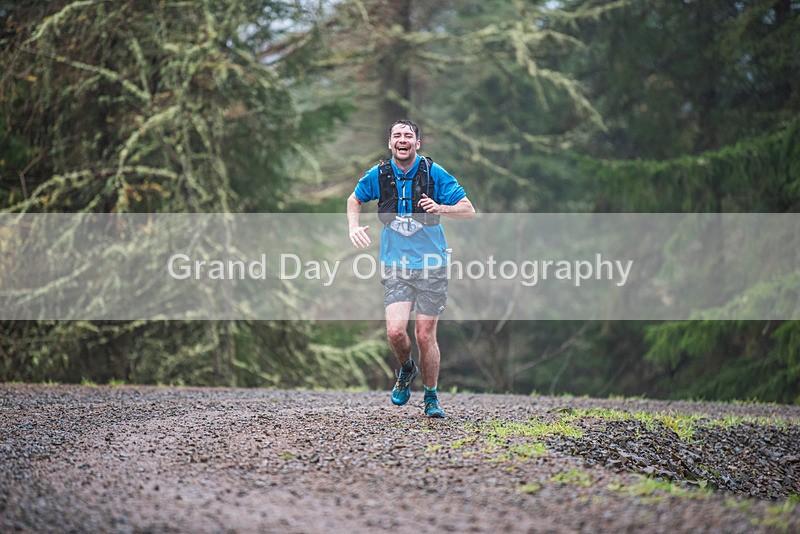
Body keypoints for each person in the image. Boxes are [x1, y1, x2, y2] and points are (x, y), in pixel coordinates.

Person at [346, 119, 475, 418]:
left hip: (433, 264)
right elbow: (354, 199)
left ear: (417, 143)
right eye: (396, 136)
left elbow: (468, 210)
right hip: (396, 265)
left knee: (425, 335)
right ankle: (407, 369)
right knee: (394, 332)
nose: (402, 140)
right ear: (390, 143)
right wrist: (353, 227)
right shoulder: (379, 175)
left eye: (408, 136)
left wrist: (441, 207)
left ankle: (431, 397)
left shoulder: (434, 173)